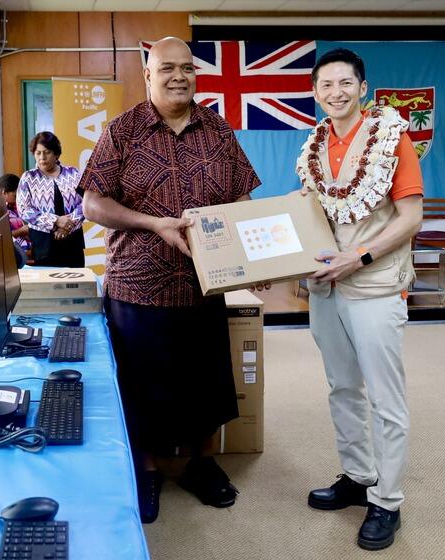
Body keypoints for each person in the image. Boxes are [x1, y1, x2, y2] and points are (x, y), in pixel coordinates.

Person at [79, 37, 261, 524]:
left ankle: (202, 463)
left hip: (205, 283)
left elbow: (243, 198)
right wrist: (151, 222)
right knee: (142, 387)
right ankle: (148, 468)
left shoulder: (218, 132)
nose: (178, 76)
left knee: (206, 382)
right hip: (139, 285)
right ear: (148, 74)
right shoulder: (122, 132)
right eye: (167, 68)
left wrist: (256, 256)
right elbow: (92, 203)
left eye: (186, 68)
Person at [297, 48, 424, 551]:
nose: (336, 92)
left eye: (345, 83)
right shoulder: (311, 145)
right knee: (342, 387)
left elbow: (410, 217)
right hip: (326, 286)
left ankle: (387, 501)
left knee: (386, 398)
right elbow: (307, 218)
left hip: (374, 283)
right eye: (326, 84)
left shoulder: (394, 139)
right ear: (315, 92)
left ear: (363, 87)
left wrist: (361, 257)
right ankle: (357, 476)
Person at [17, 132, 86, 268]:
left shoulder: (73, 173)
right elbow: (24, 210)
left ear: (56, 154)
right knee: (48, 285)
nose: (42, 158)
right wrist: (55, 221)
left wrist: (68, 226)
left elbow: (86, 203)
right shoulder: (28, 178)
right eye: (38, 153)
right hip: (43, 244)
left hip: (73, 240)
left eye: (47, 152)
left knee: (76, 284)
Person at [0, 173, 32, 257]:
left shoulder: (19, 206)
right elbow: (0, 237)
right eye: (15, 196)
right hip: (18, 253)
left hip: (30, 247)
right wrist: (21, 231)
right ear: (4, 193)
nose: (19, 198)